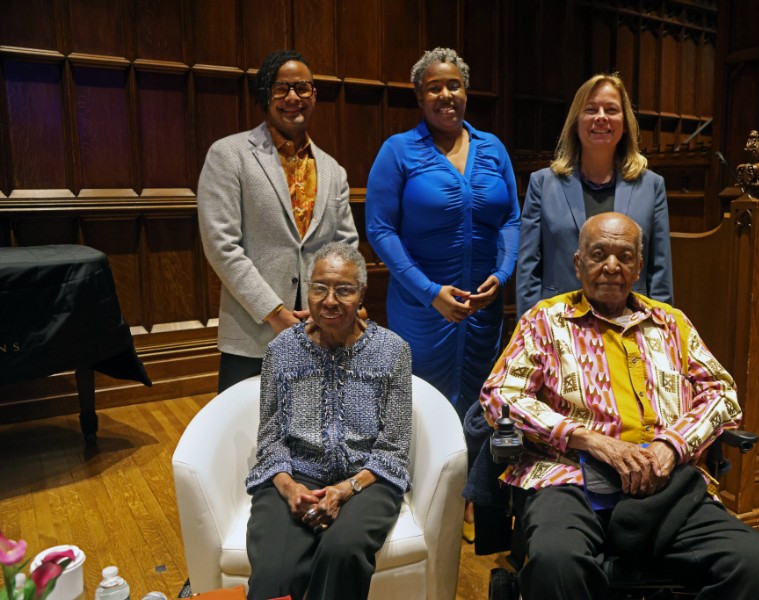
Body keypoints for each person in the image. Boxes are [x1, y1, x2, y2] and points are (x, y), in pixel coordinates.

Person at [481, 213, 759, 599]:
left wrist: (671, 445)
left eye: (624, 256)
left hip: (666, 485)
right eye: (598, 254)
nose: (611, 266)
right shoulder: (545, 321)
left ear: (638, 267)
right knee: (557, 561)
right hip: (567, 477)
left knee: (755, 564)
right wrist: (587, 439)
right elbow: (500, 396)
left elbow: (722, 393)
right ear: (578, 263)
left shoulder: (672, 324)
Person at [245, 242, 411, 600]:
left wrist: (344, 490)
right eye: (320, 287)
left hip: (368, 478)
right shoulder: (281, 351)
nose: (330, 301)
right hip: (298, 473)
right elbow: (270, 438)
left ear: (362, 294)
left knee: (342, 551)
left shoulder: (393, 351)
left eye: (344, 289)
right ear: (308, 290)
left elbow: (394, 448)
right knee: (275, 570)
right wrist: (290, 489)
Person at [365, 47, 520, 423]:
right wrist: (430, 292)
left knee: (481, 404)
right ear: (420, 97)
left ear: (466, 92)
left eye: (455, 85)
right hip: (423, 310)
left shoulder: (493, 148)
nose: (446, 95)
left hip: (482, 309)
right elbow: (380, 229)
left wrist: (501, 277)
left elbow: (512, 220)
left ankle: (475, 481)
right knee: (421, 407)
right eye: (434, 88)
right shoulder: (398, 151)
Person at [198, 49, 357, 393]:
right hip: (253, 332)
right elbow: (221, 246)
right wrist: (274, 313)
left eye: (302, 88)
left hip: (321, 330)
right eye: (281, 88)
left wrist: (331, 308)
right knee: (245, 435)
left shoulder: (333, 170)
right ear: (265, 95)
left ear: (314, 94)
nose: (293, 98)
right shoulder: (229, 155)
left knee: (314, 432)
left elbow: (346, 247)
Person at [516, 73, 673, 319]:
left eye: (611, 109)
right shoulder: (543, 183)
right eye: (591, 109)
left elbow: (659, 271)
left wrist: (662, 330)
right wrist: (530, 331)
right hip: (560, 323)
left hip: (629, 321)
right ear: (576, 121)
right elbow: (528, 270)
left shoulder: (651, 186)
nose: (601, 117)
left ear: (625, 123)